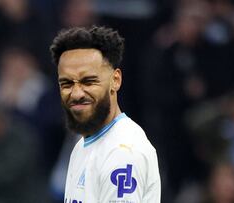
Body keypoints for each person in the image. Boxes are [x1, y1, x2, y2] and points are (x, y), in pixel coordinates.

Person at [49, 26, 161, 202]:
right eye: (66, 83)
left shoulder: (123, 152)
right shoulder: (81, 146)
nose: (77, 93)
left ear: (115, 80)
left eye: (89, 81)